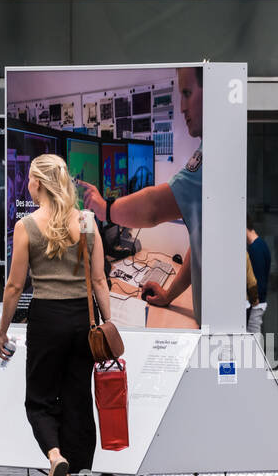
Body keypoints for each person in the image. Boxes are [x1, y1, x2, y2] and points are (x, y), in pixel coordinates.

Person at [0, 154, 111, 476]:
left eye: (30, 179)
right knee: (77, 400)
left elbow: (15, 286)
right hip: (81, 320)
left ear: (38, 184)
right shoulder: (88, 223)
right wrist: (108, 325)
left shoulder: (27, 226)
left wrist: (2, 332)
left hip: (46, 318)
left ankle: (55, 456)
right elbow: (99, 280)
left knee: (40, 401)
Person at [80, 66, 203, 323]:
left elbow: (154, 207)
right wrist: (169, 295)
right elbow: (201, 244)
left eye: (187, 93)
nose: (181, 107)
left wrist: (105, 209)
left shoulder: (210, 160)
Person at [246, 216, 272, 334]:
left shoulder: (255, 248)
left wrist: (254, 301)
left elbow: (257, 280)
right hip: (258, 301)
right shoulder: (260, 245)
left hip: (256, 303)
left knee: (253, 339)